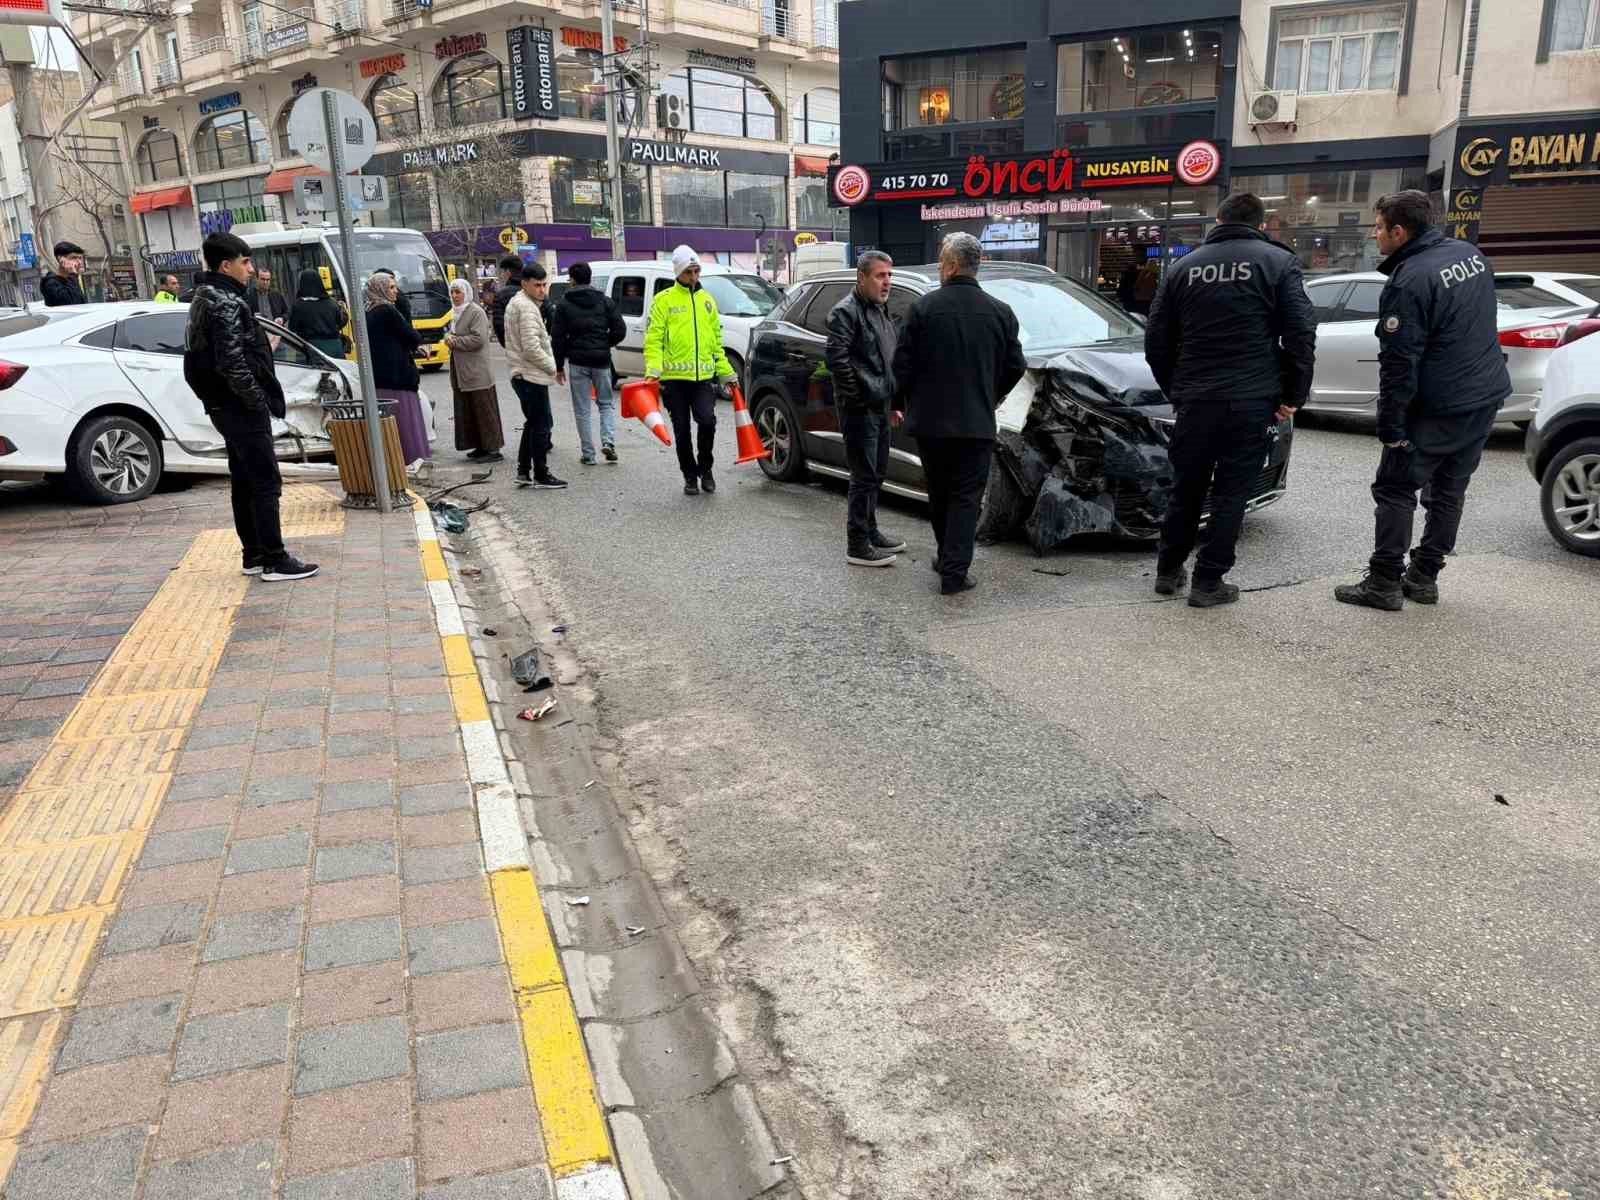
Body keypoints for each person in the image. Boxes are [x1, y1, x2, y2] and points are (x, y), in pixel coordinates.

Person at [1334, 189, 1511, 611]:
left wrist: (1391, 427)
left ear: (1400, 230)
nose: (1374, 236)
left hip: (1437, 405)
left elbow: (1399, 361)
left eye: (1378, 228)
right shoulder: (1470, 254)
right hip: (1483, 395)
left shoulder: (1410, 279)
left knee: (1395, 487)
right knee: (1449, 490)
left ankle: (1383, 583)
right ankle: (1425, 578)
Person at [1144, 192, 1315, 608]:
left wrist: (1176, 389)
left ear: (1218, 220)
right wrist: (1293, 395)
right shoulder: (1277, 263)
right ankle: (1208, 581)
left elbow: (1156, 341)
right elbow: (1300, 335)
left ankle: (1168, 572)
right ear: (1261, 224)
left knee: (1186, 488)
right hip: (1251, 398)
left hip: (1196, 398)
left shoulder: (1183, 267)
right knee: (1231, 493)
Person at [891, 232, 1026, 595]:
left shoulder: (923, 309)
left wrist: (900, 402)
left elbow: (901, 366)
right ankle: (954, 570)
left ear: (951, 266)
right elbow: (1016, 365)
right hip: (975, 422)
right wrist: (992, 394)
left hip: (931, 424)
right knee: (967, 497)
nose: (939, 269)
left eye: (940, 264)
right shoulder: (1000, 312)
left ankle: (946, 557)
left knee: (939, 492)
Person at [183, 232, 318, 581]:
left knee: (244, 479)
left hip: (224, 405)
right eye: (245, 262)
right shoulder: (225, 301)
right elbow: (232, 362)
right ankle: (274, 558)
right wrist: (257, 401)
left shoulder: (204, 296)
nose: (250, 269)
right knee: (264, 480)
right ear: (226, 265)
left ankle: (255, 554)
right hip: (239, 406)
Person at [826, 250, 907, 567]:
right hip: (860, 410)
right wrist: (859, 401)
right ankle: (857, 544)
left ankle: (871, 531)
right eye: (880, 275)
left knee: (877, 474)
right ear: (862, 278)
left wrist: (893, 402)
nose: (887, 282)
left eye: (890, 275)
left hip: (880, 406)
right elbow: (837, 361)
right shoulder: (845, 312)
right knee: (863, 476)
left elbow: (888, 360)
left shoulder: (880, 310)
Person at [644, 245, 736, 496]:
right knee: (682, 430)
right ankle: (689, 475)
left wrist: (726, 371)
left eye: (696, 271)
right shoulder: (664, 301)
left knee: (707, 422)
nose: (694, 277)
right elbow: (654, 340)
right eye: (688, 272)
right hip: (674, 381)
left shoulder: (707, 301)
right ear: (678, 273)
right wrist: (653, 370)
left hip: (703, 379)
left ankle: (706, 469)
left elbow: (716, 341)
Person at [551, 261, 626, 466]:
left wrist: (558, 365)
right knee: (605, 403)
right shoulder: (605, 301)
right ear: (590, 278)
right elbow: (620, 330)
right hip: (601, 361)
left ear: (572, 280)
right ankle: (609, 442)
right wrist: (604, 343)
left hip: (577, 362)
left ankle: (588, 454)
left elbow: (557, 337)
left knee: (582, 408)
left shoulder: (564, 304)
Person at [505, 264, 567, 490]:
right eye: (537, 285)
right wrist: (553, 367)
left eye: (544, 285)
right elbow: (531, 348)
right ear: (524, 284)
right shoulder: (527, 308)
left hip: (523, 373)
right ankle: (541, 474)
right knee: (540, 425)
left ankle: (523, 471)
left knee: (533, 423)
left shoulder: (520, 303)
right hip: (530, 375)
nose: (542, 290)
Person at [364, 272, 431, 467]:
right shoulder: (387, 310)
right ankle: (412, 459)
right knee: (406, 421)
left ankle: (394, 460)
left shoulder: (370, 310)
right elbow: (411, 335)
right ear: (381, 289)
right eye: (392, 287)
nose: (396, 292)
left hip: (380, 377)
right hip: (397, 375)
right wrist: (416, 344)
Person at [445, 278, 504, 463]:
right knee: (469, 409)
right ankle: (480, 446)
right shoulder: (456, 313)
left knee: (483, 408)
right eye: (452, 292)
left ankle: (493, 449)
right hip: (462, 370)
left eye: (458, 292)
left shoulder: (475, 312)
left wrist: (455, 341)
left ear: (467, 293)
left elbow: (478, 339)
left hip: (477, 371)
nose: (455, 296)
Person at [288, 268, 347, 359]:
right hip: (336, 348)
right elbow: (340, 322)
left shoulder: (299, 305)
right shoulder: (331, 303)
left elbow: (292, 328)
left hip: (313, 350)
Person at [490, 253, 524, 346]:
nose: (502, 275)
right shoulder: (533, 289)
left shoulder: (501, 295)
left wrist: (508, 345)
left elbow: (499, 325)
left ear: (508, 272)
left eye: (502, 272)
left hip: (514, 346)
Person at [41, 242, 87, 306]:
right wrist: (73, 274)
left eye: (80, 258)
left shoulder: (71, 279)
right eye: (74, 258)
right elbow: (71, 304)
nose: (79, 262)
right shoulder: (50, 282)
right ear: (60, 259)